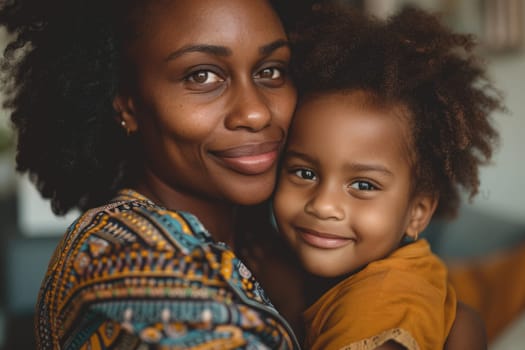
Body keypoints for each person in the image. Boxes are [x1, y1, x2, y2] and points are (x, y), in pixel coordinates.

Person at [0, 0, 307, 348]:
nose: (256, 114)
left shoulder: (261, 244)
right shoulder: (123, 259)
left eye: (271, 71)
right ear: (126, 104)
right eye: (201, 75)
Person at [272, 4, 503, 350]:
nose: (323, 205)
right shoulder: (393, 275)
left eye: (363, 185)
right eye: (304, 172)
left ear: (418, 212)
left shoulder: (378, 303)